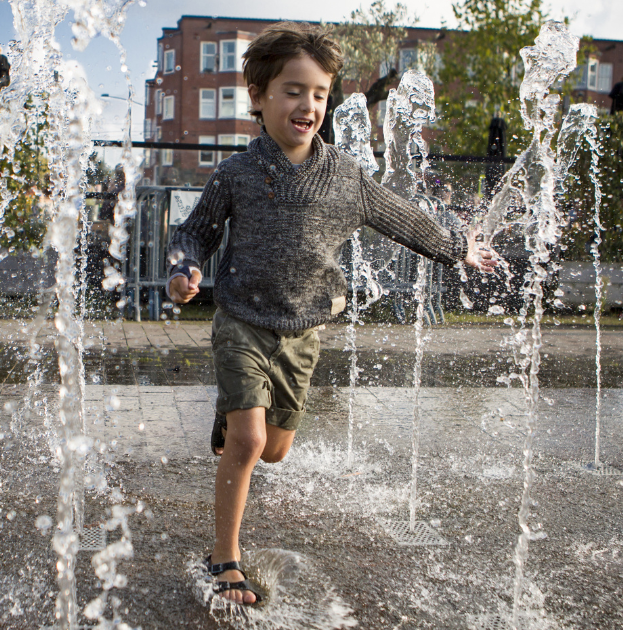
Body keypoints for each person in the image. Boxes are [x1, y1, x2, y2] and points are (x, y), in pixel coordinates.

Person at [165, 22, 498, 607]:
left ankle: (237, 422)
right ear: (260, 97)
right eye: (293, 90)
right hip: (242, 320)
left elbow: (402, 218)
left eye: (319, 93)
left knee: (275, 449)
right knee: (247, 441)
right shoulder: (237, 173)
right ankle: (225, 558)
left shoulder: (346, 177)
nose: (308, 105)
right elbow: (193, 232)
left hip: (303, 333)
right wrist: (183, 271)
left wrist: (456, 247)